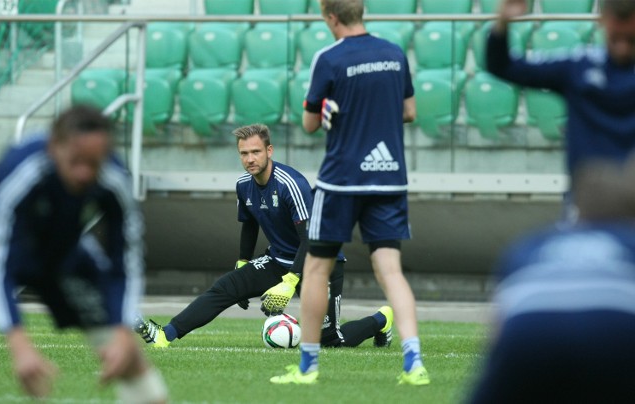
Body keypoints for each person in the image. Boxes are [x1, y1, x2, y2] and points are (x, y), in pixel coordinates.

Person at [270, 0, 430, 386]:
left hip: (341, 181)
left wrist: (328, 111)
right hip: (389, 178)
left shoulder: (329, 58)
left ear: (331, 16)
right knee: (391, 271)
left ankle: (307, 368)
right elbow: (410, 112)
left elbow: (309, 123)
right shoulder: (394, 53)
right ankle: (414, 362)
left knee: (315, 270)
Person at [135, 123, 394, 350]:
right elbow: (249, 224)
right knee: (227, 287)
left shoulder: (290, 184)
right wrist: (243, 262)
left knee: (329, 340)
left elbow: (311, 238)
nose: (250, 159)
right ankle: (164, 335)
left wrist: (291, 281)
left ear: (269, 151)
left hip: (319, 262)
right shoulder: (243, 184)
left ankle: (382, 319)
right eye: (244, 153)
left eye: (255, 152)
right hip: (278, 259)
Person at [0, 105, 168, 403]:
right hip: (10, 254)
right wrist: (19, 343)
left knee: (128, 357)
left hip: (65, 259)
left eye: (93, 163)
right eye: (75, 161)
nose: (84, 173)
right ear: (54, 148)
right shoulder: (21, 170)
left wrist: (123, 332)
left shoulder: (113, 179)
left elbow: (125, 261)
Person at [467, 157, 635, 403]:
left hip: (529, 329)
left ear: (576, 210)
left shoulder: (533, 243)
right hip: (616, 327)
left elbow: (498, 323)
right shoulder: (628, 241)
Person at [487, 0, 635, 216]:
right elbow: (503, 66)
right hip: (587, 203)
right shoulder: (577, 67)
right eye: (616, 38)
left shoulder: (577, 67)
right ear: (603, 20)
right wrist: (502, 22)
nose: (622, 46)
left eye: (631, 40)